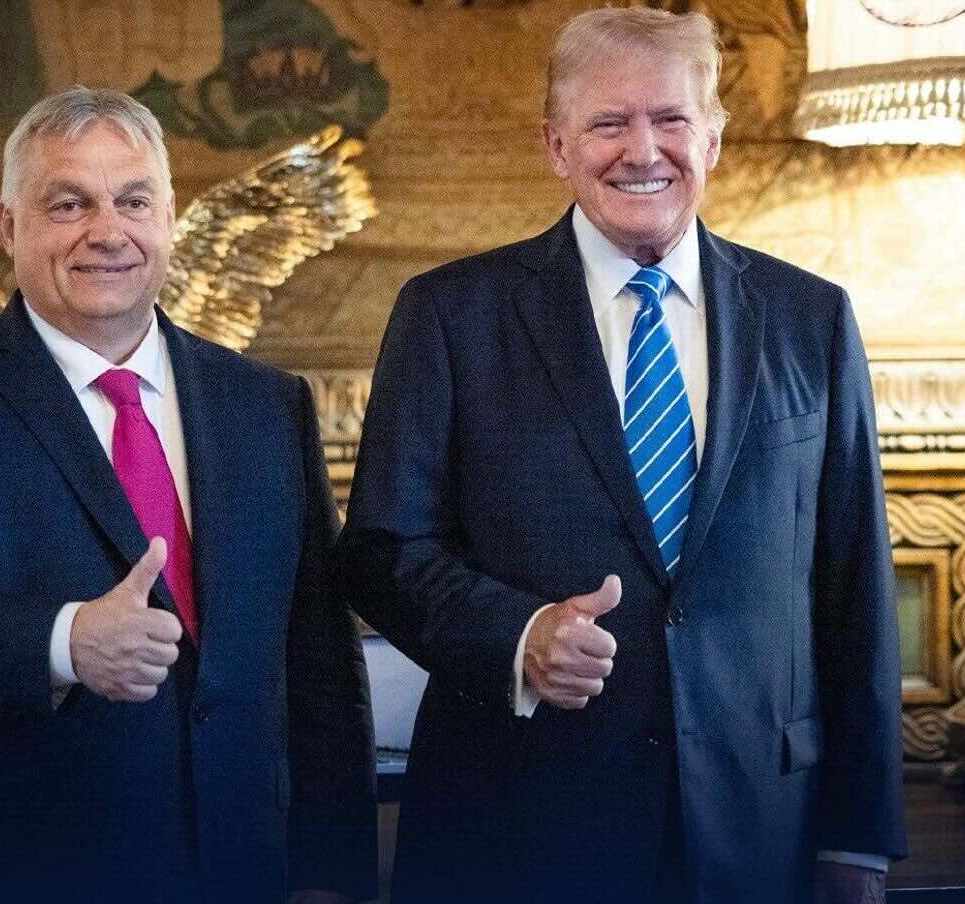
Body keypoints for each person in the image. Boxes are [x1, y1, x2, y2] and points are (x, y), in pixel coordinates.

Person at [337, 8, 905, 903]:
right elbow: (381, 552)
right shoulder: (450, 315)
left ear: (712, 138)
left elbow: (855, 585)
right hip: (518, 828)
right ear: (557, 146)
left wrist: (860, 836)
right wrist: (519, 636)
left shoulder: (813, 318)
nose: (643, 150)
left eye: (671, 119)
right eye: (608, 123)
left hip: (761, 829)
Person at [0, 86, 376, 904]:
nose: (108, 231)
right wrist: (65, 642)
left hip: (242, 872)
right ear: (9, 226)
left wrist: (331, 876)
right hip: (21, 875)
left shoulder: (267, 404)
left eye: (134, 200)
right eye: (69, 203)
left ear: (170, 219)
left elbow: (320, 660)